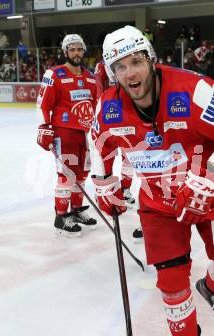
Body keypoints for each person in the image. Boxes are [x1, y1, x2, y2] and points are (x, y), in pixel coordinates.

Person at [90, 25, 214, 335]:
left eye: (136, 61)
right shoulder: (109, 107)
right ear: (112, 73)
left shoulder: (193, 90)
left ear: (152, 60)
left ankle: (211, 288)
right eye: (120, 66)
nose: (130, 73)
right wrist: (103, 181)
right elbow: (97, 141)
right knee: (170, 283)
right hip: (159, 203)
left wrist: (208, 173)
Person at [36, 34, 97, 237]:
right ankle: (61, 217)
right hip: (64, 132)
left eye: (79, 49)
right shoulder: (54, 74)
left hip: (83, 134)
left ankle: (76, 210)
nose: (76, 53)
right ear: (65, 52)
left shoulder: (89, 77)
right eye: (72, 49)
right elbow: (43, 103)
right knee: (67, 175)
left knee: (82, 174)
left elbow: (95, 106)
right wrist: (44, 128)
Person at [94, 59, 142, 239]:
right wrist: (104, 184)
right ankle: (121, 190)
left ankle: (128, 191)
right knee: (120, 155)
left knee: (148, 168)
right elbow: (101, 91)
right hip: (115, 110)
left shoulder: (138, 61)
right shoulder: (102, 67)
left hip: (138, 111)